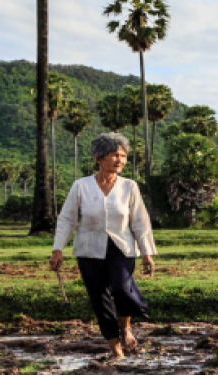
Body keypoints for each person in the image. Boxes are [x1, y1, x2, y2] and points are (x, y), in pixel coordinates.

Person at [49, 132, 156, 361]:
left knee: (122, 289)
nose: (120, 160)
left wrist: (147, 253)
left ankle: (125, 326)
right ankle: (116, 350)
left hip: (122, 248)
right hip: (89, 251)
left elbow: (140, 221)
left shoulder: (129, 187)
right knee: (101, 301)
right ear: (99, 157)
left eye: (123, 156)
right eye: (115, 155)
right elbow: (67, 219)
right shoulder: (81, 186)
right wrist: (57, 250)